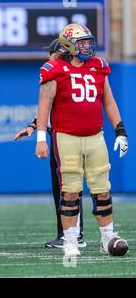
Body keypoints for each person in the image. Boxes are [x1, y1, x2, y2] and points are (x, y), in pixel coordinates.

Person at [35, 23, 129, 256]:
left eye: (88, 41)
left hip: (96, 136)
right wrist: (40, 138)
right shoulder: (54, 68)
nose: (87, 46)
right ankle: (70, 241)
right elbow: (44, 104)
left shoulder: (98, 66)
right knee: (70, 190)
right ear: (68, 44)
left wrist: (120, 130)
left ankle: (107, 238)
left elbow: (108, 101)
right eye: (81, 42)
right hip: (66, 136)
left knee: (102, 189)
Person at [14, 38, 86, 249]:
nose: (48, 57)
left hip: (69, 137)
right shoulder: (60, 74)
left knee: (70, 186)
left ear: (62, 52)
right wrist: (33, 126)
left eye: (52, 53)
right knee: (62, 186)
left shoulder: (66, 73)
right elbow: (48, 106)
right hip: (58, 136)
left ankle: (76, 234)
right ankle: (66, 233)